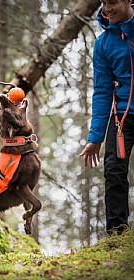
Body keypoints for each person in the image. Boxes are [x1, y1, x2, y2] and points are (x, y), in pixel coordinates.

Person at [80, 0, 134, 235]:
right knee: (113, 171)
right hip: (121, 117)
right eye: (103, 2)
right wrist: (95, 137)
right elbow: (102, 91)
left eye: (112, 2)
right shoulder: (103, 43)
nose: (106, 8)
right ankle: (116, 235)